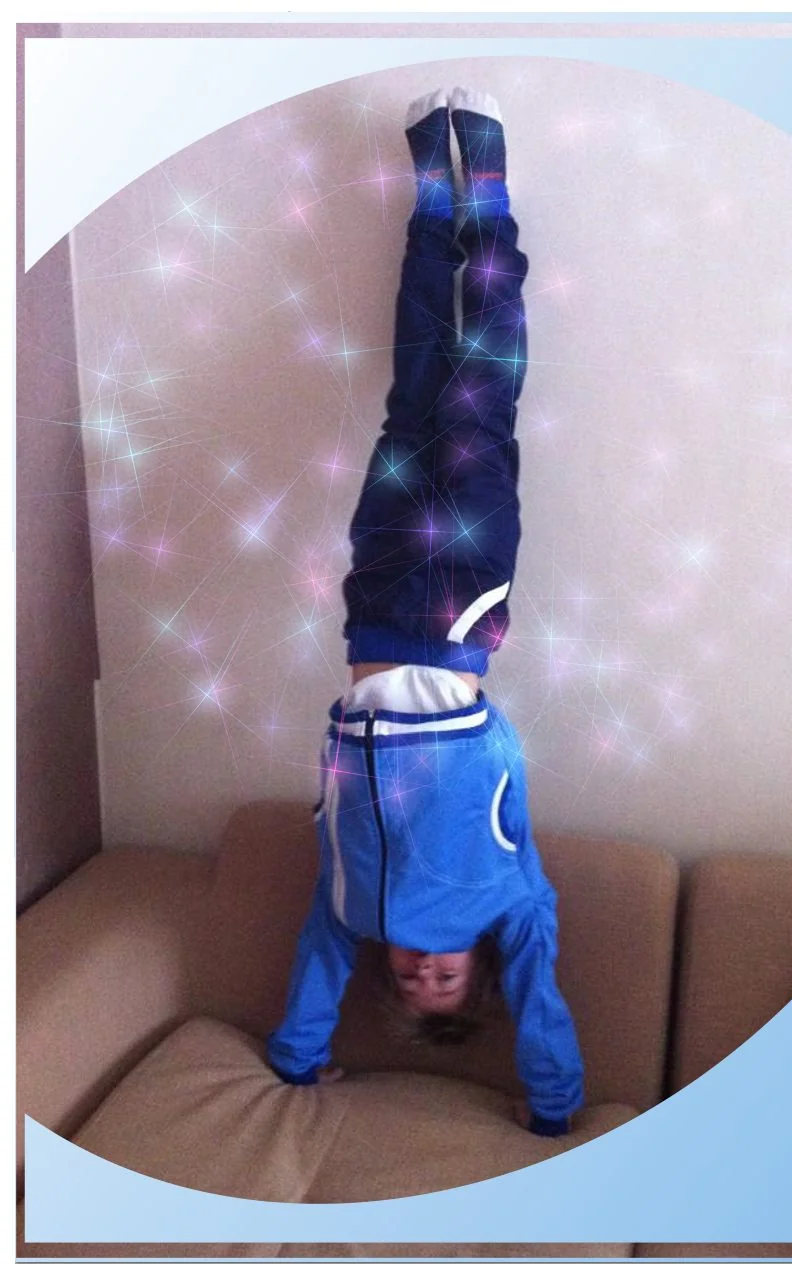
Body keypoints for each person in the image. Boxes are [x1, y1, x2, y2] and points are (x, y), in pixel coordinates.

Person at [266, 88, 584, 1138]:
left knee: (412, 397)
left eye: (411, 985)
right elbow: (540, 997)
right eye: (445, 984)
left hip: (371, 607)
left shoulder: (350, 909)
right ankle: (483, 183)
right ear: (473, 969)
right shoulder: (508, 900)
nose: (422, 973)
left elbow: (317, 965)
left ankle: (426, 194)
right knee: (481, 391)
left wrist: (297, 1062)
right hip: (459, 616)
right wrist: (553, 1108)